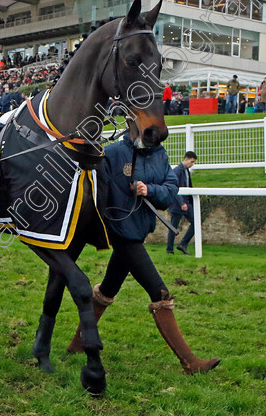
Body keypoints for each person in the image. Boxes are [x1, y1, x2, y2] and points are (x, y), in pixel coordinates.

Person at [66, 135, 220, 374]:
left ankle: (77, 345)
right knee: (160, 292)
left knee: (108, 289)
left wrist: (149, 189)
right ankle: (190, 362)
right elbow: (96, 189)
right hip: (120, 231)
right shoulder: (113, 152)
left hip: (137, 232)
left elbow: (170, 190)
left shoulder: (160, 155)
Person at [167, 151, 198, 255]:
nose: (192, 164)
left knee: (196, 223)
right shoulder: (177, 171)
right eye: (191, 161)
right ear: (186, 159)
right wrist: (181, 203)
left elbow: (189, 187)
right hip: (177, 203)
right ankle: (169, 250)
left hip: (186, 203)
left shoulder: (186, 171)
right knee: (173, 227)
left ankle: (183, 244)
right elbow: (174, 188)